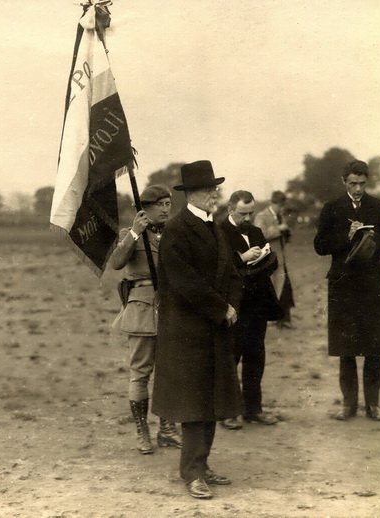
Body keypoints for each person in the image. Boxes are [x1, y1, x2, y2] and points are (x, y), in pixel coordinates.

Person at [151, 160, 243, 500]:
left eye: (216, 188)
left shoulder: (214, 226)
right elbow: (185, 283)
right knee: (194, 406)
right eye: (210, 190)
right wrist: (221, 309)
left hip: (215, 327)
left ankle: (202, 465)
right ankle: (191, 473)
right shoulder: (177, 229)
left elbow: (232, 272)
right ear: (192, 194)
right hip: (187, 331)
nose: (216, 194)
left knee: (213, 401)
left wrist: (231, 307)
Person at [314, 160, 380, 421]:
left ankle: (373, 405)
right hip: (344, 286)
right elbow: (319, 245)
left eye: (362, 184)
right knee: (346, 348)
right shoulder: (331, 209)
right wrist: (346, 235)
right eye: (353, 183)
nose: (358, 189)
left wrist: (375, 240)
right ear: (344, 182)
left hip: (374, 285)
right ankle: (348, 405)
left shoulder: (379, 206)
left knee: (374, 348)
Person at [110, 184, 182, 454]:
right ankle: (142, 431)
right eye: (160, 205)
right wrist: (135, 232)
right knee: (140, 373)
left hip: (171, 309)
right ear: (146, 208)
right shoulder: (130, 234)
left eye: (168, 204)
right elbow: (117, 263)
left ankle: (167, 429)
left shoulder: (174, 232)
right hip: (141, 309)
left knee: (170, 372)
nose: (166, 209)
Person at [219, 190, 283, 429]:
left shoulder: (256, 231)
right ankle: (228, 412)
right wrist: (243, 258)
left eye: (251, 213)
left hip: (257, 305)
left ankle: (253, 409)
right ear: (230, 210)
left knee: (256, 357)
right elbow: (219, 267)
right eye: (242, 213)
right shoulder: (219, 231)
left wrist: (265, 258)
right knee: (231, 357)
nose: (248, 218)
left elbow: (271, 261)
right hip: (234, 305)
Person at [255, 190, 295, 328]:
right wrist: (279, 228)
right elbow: (260, 234)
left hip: (280, 258)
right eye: (278, 204)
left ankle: (283, 320)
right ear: (272, 203)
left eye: (282, 205)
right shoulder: (262, 216)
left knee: (285, 288)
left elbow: (283, 237)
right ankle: (275, 320)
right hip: (268, 260)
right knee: (273, 289)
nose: (280, 207)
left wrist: (286, 232)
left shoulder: (280, 216)